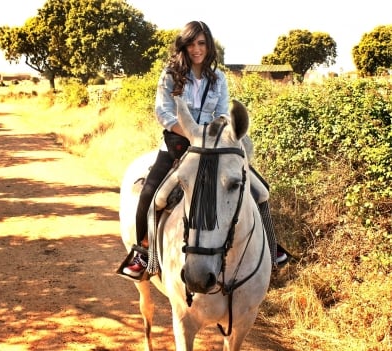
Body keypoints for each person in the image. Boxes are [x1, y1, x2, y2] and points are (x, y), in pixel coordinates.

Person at [122, 20, 287, 279]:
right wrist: (189, 132)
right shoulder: (170, 74)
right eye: (191, 43)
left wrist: (210, 136)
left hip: (211, 146)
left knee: (261, 190)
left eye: (201, 43)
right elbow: (162, 111)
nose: (196, 49)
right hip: (177, 144)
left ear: (208, 46)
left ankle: (270, 247)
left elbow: (221, 113)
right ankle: (144, 253)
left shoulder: (218, 77)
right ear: (184, 46)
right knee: (152, 195)